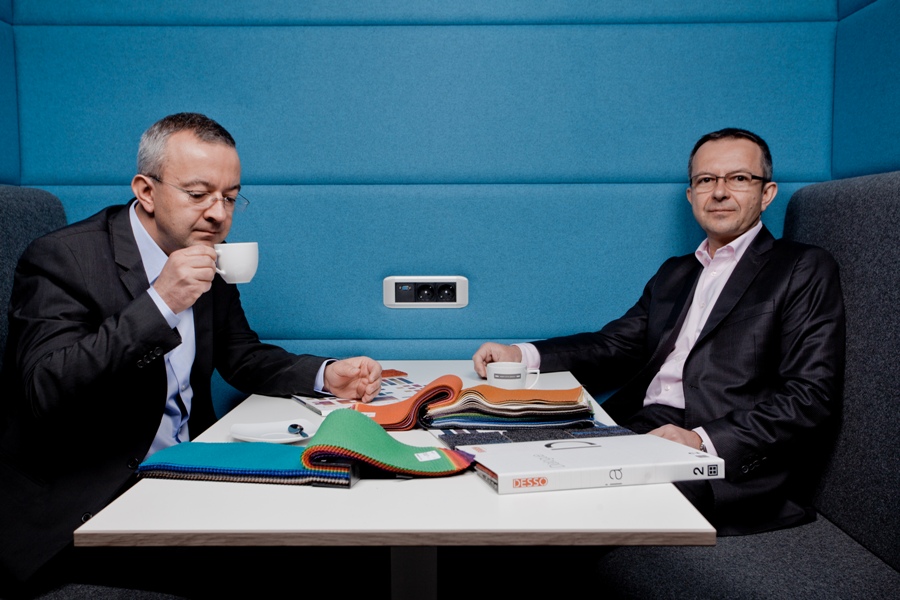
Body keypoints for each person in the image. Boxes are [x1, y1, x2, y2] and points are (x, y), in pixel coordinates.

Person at [0, 113, 383, 593]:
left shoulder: (201, 249)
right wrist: (161, 302)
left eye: (230, 197)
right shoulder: (62, 258)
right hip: (92, 499)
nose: (218, 214)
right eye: (198, 194)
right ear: (146, 191)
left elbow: (241, 355)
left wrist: (325, 375)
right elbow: (44, 389)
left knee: (341, 538)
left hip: (187, 478)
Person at [473, 128, 846, 535]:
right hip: (636, 429)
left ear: (767, 193)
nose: (720, 192)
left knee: (558, 508)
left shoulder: (801, 267)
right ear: (691, 195)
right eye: (706, 180)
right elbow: (614, 345)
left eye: (739, 178)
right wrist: (521, 355)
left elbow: (810, 395)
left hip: (722, 456)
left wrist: (700, 440)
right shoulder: (675, 273)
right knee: (493, 464)